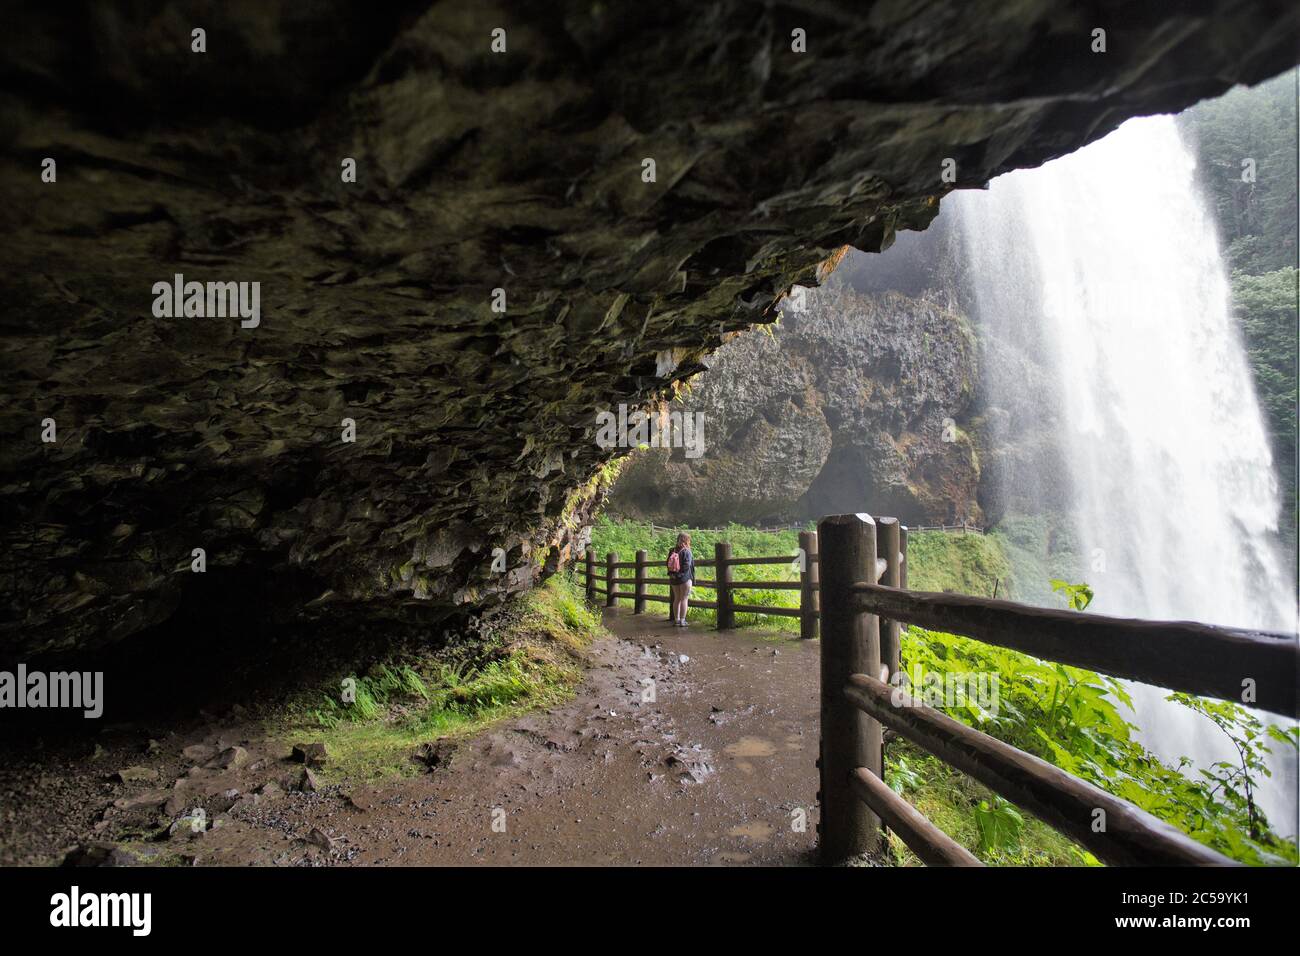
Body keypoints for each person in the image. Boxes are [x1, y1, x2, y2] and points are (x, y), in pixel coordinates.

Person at [667, 532, 694, 626]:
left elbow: (668, 564)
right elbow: (687, 565)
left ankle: (676, 619)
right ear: (687, 540)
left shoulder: (672, 550)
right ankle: (683, 620)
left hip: (674, 578)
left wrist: (673, 575)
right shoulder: (687, 551)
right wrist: (681, 575)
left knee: (677, 599)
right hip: (685, 578)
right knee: (684, 599)